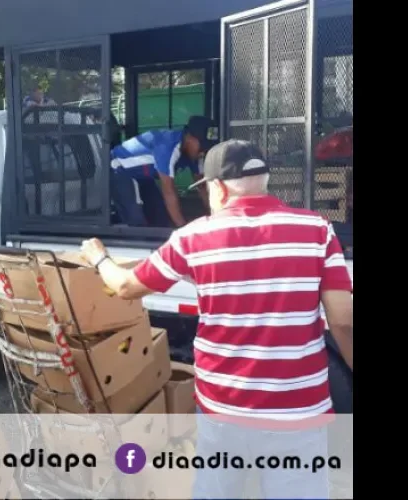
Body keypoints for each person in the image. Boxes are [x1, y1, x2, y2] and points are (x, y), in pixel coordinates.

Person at [81, 140, 353, 499]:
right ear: (264, 181)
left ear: (219, 188)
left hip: (224, 407)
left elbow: (126, 287)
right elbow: (343, 320)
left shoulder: (193, 238)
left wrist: (99, 257)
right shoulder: (317, 229)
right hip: (298, 412)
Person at [110, 115, 216, 228]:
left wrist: (215, 215)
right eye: (202, 147)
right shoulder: (168, 147)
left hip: (143, 177)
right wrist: (183, 228)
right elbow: (169, 191)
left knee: (160, 216)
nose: (203, 153)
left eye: (207, 148)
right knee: (136, 221)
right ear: (189, 138)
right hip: (119, 169)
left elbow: (202, 186)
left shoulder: (195, 155)